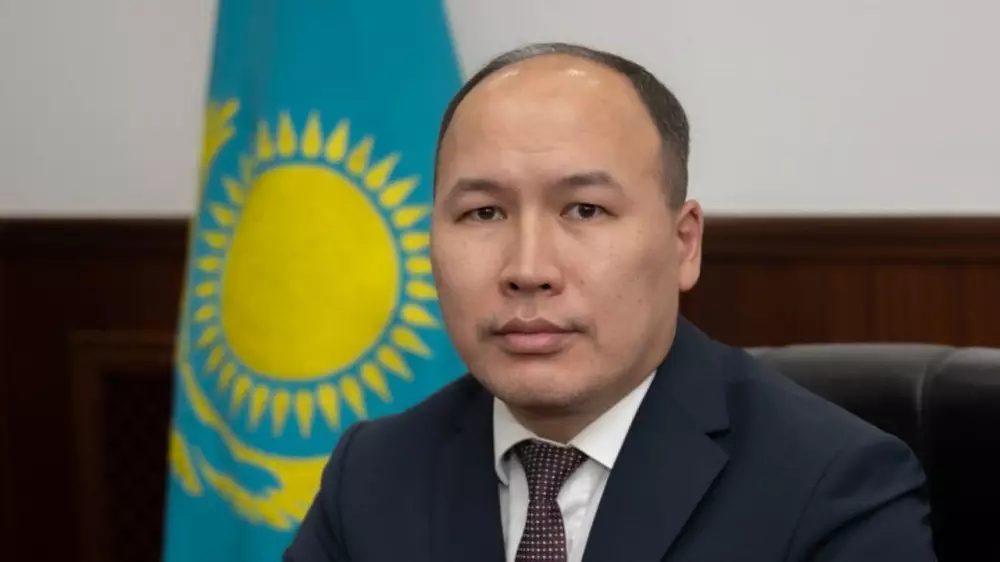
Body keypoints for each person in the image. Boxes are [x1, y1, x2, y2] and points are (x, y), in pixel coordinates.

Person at [284, 43, 936, 562]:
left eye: (585, 210)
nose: (528, 270)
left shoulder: (831, 484)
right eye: (483, 212)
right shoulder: (373, 474)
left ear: (683, 244)